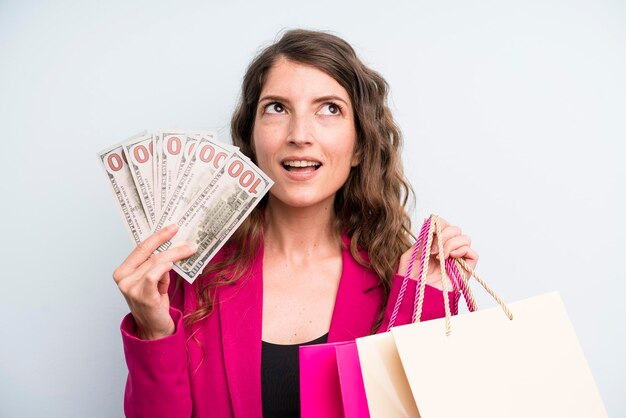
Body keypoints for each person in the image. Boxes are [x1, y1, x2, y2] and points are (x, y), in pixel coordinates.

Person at [113, 29, 478, 418]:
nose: (299, 135)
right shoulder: (190, 276)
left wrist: (426, 304)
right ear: (251, 141)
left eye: (330, 109)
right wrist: (153, 332)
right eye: (277, 108)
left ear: (359, 146)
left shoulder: (400, 280)